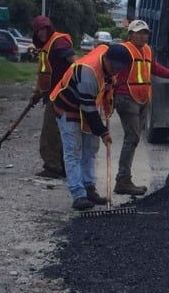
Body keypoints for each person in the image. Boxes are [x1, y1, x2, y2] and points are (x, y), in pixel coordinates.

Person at [114, 20, 169, 196]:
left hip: (142, 98)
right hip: (126, 97)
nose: (143, 35)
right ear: (130, 34)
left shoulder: (147, 50)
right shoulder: (124, 50)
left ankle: (124, 179)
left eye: (145, 33)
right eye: (139, 32)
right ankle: (123, 180)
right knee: (132, 138)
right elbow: (111, 71)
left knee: (133, 139)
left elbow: (156, 69)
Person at [50, 42, 131, 211]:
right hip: (68, 106)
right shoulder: (88, 72)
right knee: (73, 150)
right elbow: (89, 111)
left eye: (120, 69)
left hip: (88, 106)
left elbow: (104, 91)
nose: (116, 71)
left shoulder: (106, 56)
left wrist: (108, 105)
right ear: (107, 60)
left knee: (90, 149)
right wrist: (103, 132)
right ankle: (78, 195)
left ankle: (89, 188)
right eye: (114, 67)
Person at [30, 15, 75, 179]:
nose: (42, 33)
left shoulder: (58, 42)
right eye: (38, 30)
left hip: (61, 94)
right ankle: (62, 165)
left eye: (44, 29)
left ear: (49, 28)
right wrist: (36, 93)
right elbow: (43, 73)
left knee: (51, 131)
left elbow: (74, 63)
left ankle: (53, 166)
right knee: (59, 130)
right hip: (51, 93)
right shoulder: (45, 47)